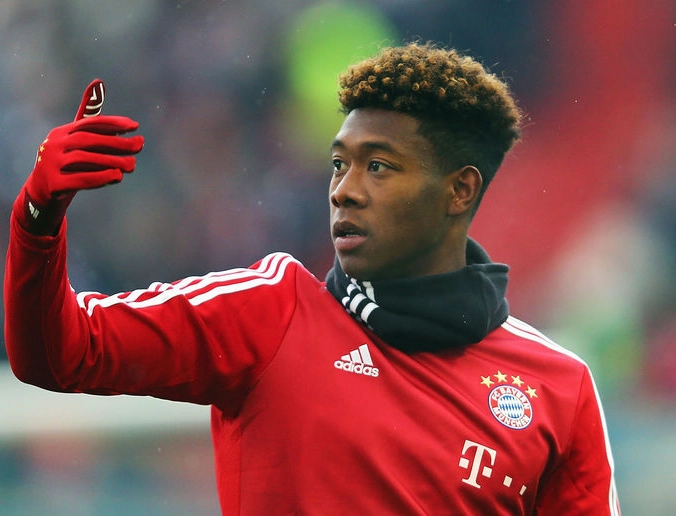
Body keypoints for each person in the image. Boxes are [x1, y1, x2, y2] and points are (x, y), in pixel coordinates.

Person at [4, 43, 620, 515]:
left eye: (379, 166)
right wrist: (37, 218)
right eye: (338, 164)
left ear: (459, 190)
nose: (343, 190)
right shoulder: (267, 312)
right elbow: (58, 354)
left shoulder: (556, 387)